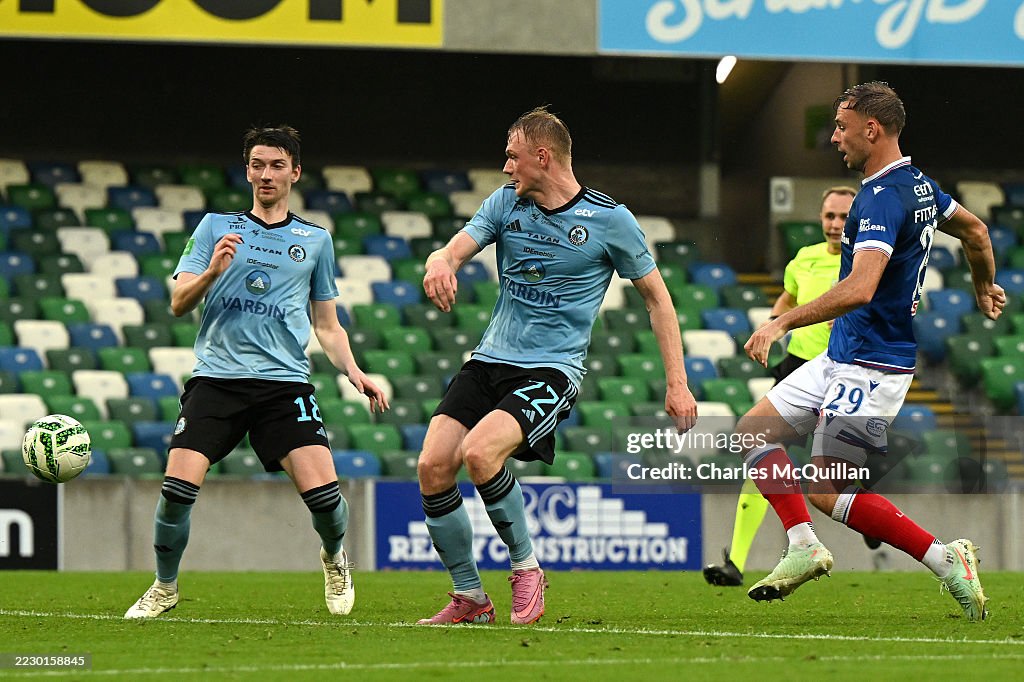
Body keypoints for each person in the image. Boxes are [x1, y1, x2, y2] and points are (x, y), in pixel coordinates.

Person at [416, 106, 698, 625]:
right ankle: (470, 598)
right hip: (488, 360)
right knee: (433, 466)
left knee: (479, 453)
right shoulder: (504, 204)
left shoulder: (611, 221)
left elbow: (658, 300)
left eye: (512, 156)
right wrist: (440, 263)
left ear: (541, 157)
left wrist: (677, 385)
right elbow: (453, 250)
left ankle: (526, 569)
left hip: (550, 370)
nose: (506, 168)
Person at [737, 82, 1004, 621]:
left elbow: (860, 287)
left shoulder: (881, 197)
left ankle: (946, 558)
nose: (834, 137)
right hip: (844, 353)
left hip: (874, 365)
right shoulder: (919, 185)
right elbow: (975, 231)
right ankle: (803, 546)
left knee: (827, 490)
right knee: (752, 431)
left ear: (871, 129)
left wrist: (781, 321)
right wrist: (983, 285)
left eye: (840, 126)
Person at [124, 125, 389, 619]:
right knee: (176, 492)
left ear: (295, 172)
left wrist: (354, 371)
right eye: (257, 165)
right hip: (216, 380)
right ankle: (164, 586)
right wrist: (211, 273)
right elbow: (179, 303)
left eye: (276, 165)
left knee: (327, 501)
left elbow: (327, 325)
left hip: (283, 385)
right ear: (247, 170)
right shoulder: (214, 228)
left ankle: (334, 558)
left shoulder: (315, 241)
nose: (266, 174)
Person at [704, 186, 857, 587]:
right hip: (797, 369)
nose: (836, 224)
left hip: (846, 371)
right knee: (762, 454)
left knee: (835, 473)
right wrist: (772, 326)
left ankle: (868, 521)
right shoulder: (803, 259)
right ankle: (735, 561)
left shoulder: (867, 260)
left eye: (844, 216)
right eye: (830, 216)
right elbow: (787, 300)